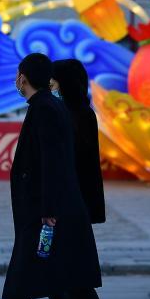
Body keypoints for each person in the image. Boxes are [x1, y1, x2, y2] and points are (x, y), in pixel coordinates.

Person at [0, 53, 105, 299]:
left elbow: (52, 162)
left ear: (23, 77)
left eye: (17, 76)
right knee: (52, 276)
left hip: (45, 218)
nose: (16, 81)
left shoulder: (45, 109)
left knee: (33, 279)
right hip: (47, 215)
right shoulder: (46, 106)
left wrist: (48, 211)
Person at [51, 59, 106, 225]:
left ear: (66, 84)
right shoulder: (78, 112)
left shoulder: (72, 114)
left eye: (52, 85)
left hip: (70, 197)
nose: (49, 90)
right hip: (74, 198)